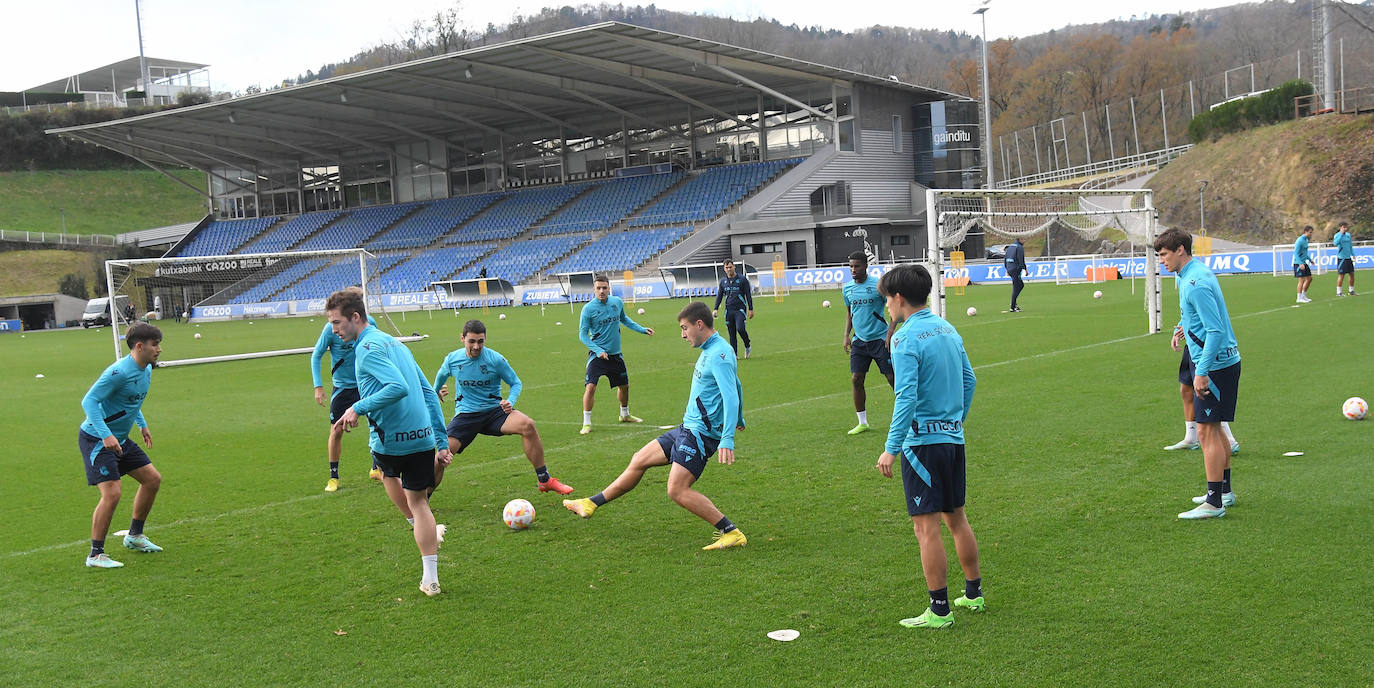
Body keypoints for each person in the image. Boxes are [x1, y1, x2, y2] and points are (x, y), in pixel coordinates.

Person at [563, 301, 747, 551]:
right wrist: (739, 419)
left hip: (701, 436)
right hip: (687, 428)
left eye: (685, 328)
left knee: (677, 490)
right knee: (639, 459)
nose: (683, 335)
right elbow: (737, 384)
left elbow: (731, 395)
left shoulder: (719, 355)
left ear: (699, 325)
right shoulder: (712, 349)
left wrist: (727, 438)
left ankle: (731, 532)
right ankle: (591, 504)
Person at [874, 264, 983, 630]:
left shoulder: (905, 338)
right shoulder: (948, 329)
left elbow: (905, 396)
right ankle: (973, 594)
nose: (888, 307)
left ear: (899, 299)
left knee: (926, 528)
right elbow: (970, 380)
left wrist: (892, 447)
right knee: (957, 517)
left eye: (887, 300)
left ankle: (939, 611)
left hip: (922, 444)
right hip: (952, 440)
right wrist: (955, 420)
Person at [327, 289, 452, 596]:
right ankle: (430, 579)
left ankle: (416, 527)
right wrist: (441, 440)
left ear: (355, 318)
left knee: (387, 475)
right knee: (420, 501)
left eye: (337, 322)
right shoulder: (395, 343)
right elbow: (427, 393)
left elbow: (397, 387)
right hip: (422, 437)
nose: (334, 330)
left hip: (391, 440)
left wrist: (357, 407)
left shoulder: (367, 349)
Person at [1154, 229, 1241, 519]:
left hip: (1214, 363)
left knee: (1206, 431)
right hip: (1212, 359)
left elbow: (1215, 330)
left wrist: (1202, 372)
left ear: (1180, 250)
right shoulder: (1188, 275)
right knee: (1213, 429)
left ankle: (1213, 502)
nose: (1161, 261)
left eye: (1164, 254)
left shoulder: (1195, 282)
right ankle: (1224, 493)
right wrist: (1184, 327)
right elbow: (1198, 317)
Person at [433, 319, 573, 495]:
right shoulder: (452, 360)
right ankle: (423, 500)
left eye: (480, 341)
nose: (476, 346)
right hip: (466, 415)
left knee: (527, 425)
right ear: (462, 339)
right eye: (472, 341)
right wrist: (436, 392)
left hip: (495, 412)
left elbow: (515, 382)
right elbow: (438, 381)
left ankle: (544, 480)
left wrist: (510, 401)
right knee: (440, 458)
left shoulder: (495, 359)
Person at [78, 322, 166, 569]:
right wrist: (105, 435)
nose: (159, 349)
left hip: (120, 439)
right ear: (140, 346)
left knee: (152, 480)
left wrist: (142, 423)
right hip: (97, 439)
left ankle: (135, 536)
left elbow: (131, 402)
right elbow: (89, 401)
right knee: (112, 493)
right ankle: (96, 554)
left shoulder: (146, 368)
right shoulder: (118, 372)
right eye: (155, 344)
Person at [311, 307, 382, 492]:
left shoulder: (370, 324)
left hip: (366, 383)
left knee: (379, 424)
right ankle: (333, 477)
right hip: (343, 388)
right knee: (336, 430)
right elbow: (316, 355)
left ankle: (377, 468)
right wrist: (318, 386)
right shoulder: (330, 330)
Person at [578, 274, 654, 435]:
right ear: (594, 289)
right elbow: (583, 334)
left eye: (604, 288)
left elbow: (624, 320)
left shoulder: (617, 303)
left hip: (615, 354)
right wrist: (598, 351)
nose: (601, 291)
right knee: (590, 386)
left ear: (609, 288)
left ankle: (624, 415)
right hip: (597, 355)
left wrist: (642, 329)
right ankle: (586, 423)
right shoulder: (588, 309)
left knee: (624, 386)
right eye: (598, 288)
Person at [842, 251, 895, 435]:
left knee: (892, 379)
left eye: (856, 266)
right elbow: (850, 312)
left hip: (880, 339)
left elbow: (893, 307)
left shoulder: (878, 285)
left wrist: (890, 332)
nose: (853, 270)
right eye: (850, 266)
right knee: (856, 379)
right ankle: (862, 422)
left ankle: (913, 414)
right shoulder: (847, 288)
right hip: (860, 341)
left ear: (865, 266)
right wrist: (846, 335)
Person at [1163, 341, 1240, 455]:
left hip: (1204, 347)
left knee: (1206, 394)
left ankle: (1229, 440)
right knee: (1186, 388)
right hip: (1192, 345)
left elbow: (1215, 329)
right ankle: (1191, 438)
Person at [712, 259, 755, 358]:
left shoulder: (742, 279)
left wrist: (751, 309)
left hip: (739, 310)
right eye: (726, 268)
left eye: (730, 267)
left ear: (734, 267)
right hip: (728, 310)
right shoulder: (723, 281)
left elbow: (748, 295)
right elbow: (719, 295)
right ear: (724, 269)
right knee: (732, 334)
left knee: (740, 328)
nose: (728, 269)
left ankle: (747, 344)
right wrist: (715, 308)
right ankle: (734, 355)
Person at [1293, 225, 1315, 303]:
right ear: (1305, 232)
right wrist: (1300, 263)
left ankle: (1303, 295)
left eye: (1311, 233)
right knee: (1301, 280)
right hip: (1298, 263)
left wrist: (1310, 260)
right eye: (1310, 232)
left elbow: (1304, 252)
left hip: (1304, 263)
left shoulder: (1306, 240)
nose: (1311, 234)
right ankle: (1299, 298)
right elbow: (1295, 253)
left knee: (1309, 278)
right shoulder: (1299, 240)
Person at [1004, 237, 1027, 312]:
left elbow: (1005, 258)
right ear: (1020, 239)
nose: (1025, 240)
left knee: (1019, 285)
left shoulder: (1010, 246)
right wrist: (1025, 269)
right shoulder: (1019, 247)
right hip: (1015, 269)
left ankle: (1014, 304)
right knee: (1017, 286)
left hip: (1010, 268)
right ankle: (1012, 306)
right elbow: (1021, 259)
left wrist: (1007, 269)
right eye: (1024, 239)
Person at [1333, 222, 1357, 296]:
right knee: (1341, 275)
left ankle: (1351, 290)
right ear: (1340, 228)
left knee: (1352, 274)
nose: (1345, 229)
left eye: (1346, 227)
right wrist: (1341, 234)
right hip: (1342, 258)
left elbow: (1350, 245)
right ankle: (1339, 292)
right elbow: (1335, 243)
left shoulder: (1348, 235)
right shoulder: (1337, 235)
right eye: (1344, 227)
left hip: (1348, 258)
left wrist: (1353, 254)